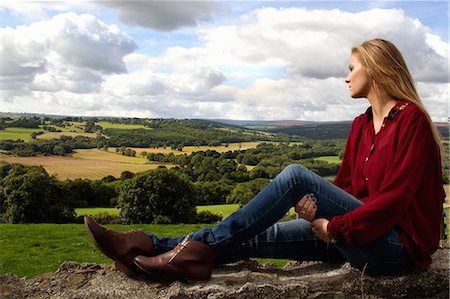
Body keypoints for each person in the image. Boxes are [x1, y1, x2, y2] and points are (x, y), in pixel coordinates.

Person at [84, 38, 445, 281]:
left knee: (295, 176)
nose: (345, 76)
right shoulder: (362, 123)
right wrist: (317, 211)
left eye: (352, 68)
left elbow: (393, 200)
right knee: (256, 235)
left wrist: (334, 228)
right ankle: (145, 247)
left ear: (376, 68)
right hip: (357, 237)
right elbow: (348, 187)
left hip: (396, 249)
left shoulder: (410, 120)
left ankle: (165, 252)